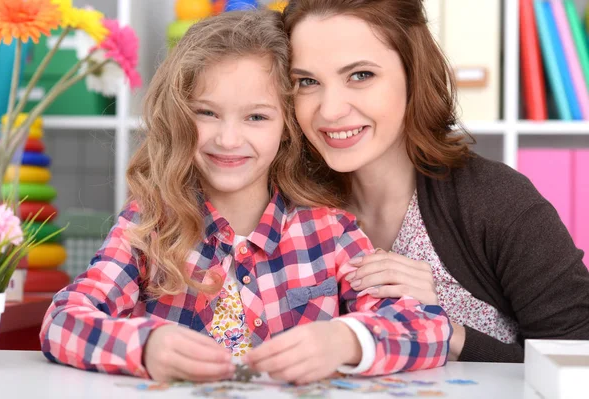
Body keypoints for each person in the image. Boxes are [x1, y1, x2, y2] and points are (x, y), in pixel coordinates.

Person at [40, 9, 451, 384]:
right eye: (207, 113)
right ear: (179, 116)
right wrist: (145, 347)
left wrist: (345, 340)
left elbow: (429, 327)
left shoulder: (330, 232)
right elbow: (61, 322)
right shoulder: (148, 226)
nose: (229, 139)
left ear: (287, 126)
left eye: (257, 117)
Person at [282, 0, 589, 363]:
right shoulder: (285, 209)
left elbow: (577, 363)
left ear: (414, 74)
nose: (330, 109)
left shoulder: (497, 203)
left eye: (360, 75)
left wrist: (444, 331)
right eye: (307, 81)